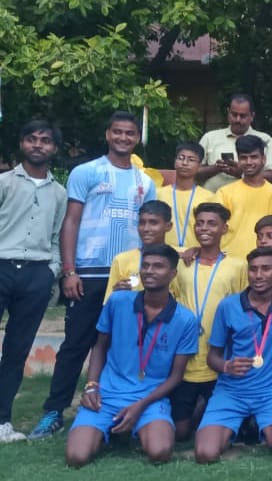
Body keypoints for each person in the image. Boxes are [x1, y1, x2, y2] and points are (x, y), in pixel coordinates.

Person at [31, 111, 158, 440]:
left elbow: (151, 229)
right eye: (117, 132)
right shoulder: (86, 172)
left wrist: (145, 274)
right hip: (88, 273)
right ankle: (54, 411)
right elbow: (70, 221)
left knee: (123, 344)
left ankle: (116, 405)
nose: (123, 138)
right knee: (76, 343)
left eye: (129, 133)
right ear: (107, 134)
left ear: (137, 138)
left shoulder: (146, 182)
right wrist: (69, 271)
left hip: (129, 276)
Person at [64, 245, 198, 467]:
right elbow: (99, 347)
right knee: (76, 457)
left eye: (158, 266)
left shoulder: (185, 319)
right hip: (107, 394)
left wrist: (140, 405)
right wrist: (92, 386)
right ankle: (109, 429)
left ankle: (129, 426)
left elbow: (176, 377)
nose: (149, 271)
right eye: (145, 266)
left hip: (150, 398)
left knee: (160, 452)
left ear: (173, 274)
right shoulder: (118, 301)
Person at [194, 247, 272, 463]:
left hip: (271, 392)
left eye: (266, 269)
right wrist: (226, 366)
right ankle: (240, 426)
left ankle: (252, 425)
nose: (258, 275)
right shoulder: (228, 306)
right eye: (253, 269)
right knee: (206, 453)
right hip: (232, 391)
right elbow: (212, 357)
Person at [0, 120, 67, 443]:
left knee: (17, 349)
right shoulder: (4, 183)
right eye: (31, 139)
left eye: (45, 140)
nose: (38, 145)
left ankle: (2, 421)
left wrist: (52, 270)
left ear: (54, 148)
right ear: (22, 143)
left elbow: (56, 236)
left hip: (36, 274)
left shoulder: (59, 193)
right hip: (1, 265)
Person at [167, 202, 248, 441]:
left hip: (218, 355)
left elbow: (243, 307)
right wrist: (187, 250)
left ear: (224, 228)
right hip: (185, 356)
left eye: (212, 223)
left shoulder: (237, 266)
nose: (204, 228)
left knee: (214, 423)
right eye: (200, 223)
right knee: (181, 433)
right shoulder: (182, 262)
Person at [214, 134, 272, 258]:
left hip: (265, 261)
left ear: (264, 159)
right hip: (230, 260)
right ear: (238, 161)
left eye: (254, 157)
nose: (249, 162)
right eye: (243, 158)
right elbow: (215, 228)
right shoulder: (224, 193)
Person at [197, 94, 272, 190]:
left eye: (243, 116)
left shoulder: (264, 139)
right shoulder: (210, 138)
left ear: (252, 116)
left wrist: (242, 173)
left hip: (250, 198)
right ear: (228, 113)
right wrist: (216, 168)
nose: (238, 120)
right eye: (234, 114)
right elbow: (192, 173)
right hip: (213, 198)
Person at [104, 200, 174, 301]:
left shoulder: (180, 257)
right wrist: (116, 295)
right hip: (131, 311)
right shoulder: (122, 259)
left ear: (168, 226)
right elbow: (108, 304)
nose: (146, 229)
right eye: (142, 223)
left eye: (153, 223)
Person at [157, 141, 216, 249]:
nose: (184, 163)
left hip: (195, 254)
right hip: (164, 253)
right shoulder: (158, 194)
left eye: (191, 160)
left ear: (199, 166)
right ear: (175, 162)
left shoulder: (209, 197)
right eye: (181, 158)